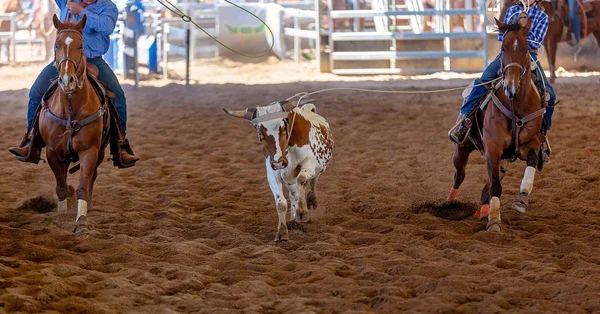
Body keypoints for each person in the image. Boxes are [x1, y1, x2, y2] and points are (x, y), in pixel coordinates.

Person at [8, 0, 139, 166]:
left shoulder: (108, 6)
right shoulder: (67, 1)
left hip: (93, 60)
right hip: (63, 61)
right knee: (36, 91)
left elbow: (106, 28)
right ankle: (30, 141)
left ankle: (120, 146)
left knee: (117, 95)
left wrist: (81, 11)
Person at [448, 0, 556, 153]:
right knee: (481, 83)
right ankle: (464, 123)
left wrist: (519, 31)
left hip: (528, 57)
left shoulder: (542, 16)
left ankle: (542, 134)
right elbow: (501, 37)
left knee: (550, 95)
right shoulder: (512, 10)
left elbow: (535, 41)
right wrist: (518, 24)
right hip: (507, 55)